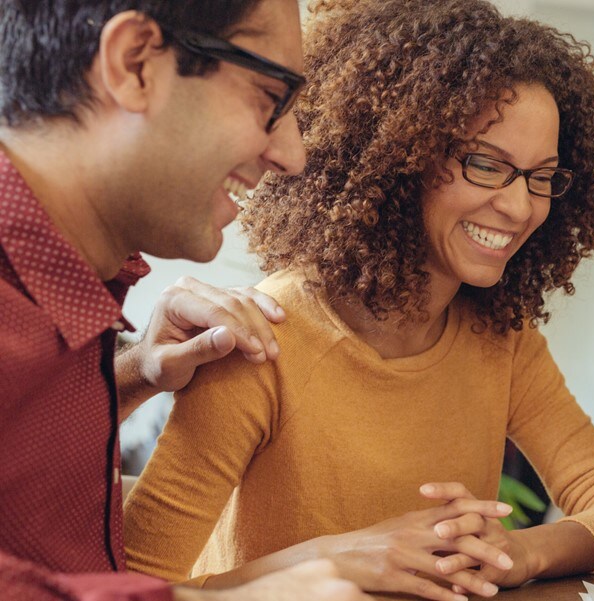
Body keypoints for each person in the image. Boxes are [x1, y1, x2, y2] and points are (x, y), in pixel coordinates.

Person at [122, 1, 594, 600]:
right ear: (399, 158)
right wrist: (326, 565)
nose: (521, 208)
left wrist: (517, 552)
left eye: (541, 176)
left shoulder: (503, 340)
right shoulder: (261, 340)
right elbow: (129, 587)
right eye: (486, 166)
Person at [0, 1, 372, 600]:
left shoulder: (65, 286)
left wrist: (131, 374)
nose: (292, 155)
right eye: (269, 97)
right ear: (136, 64)